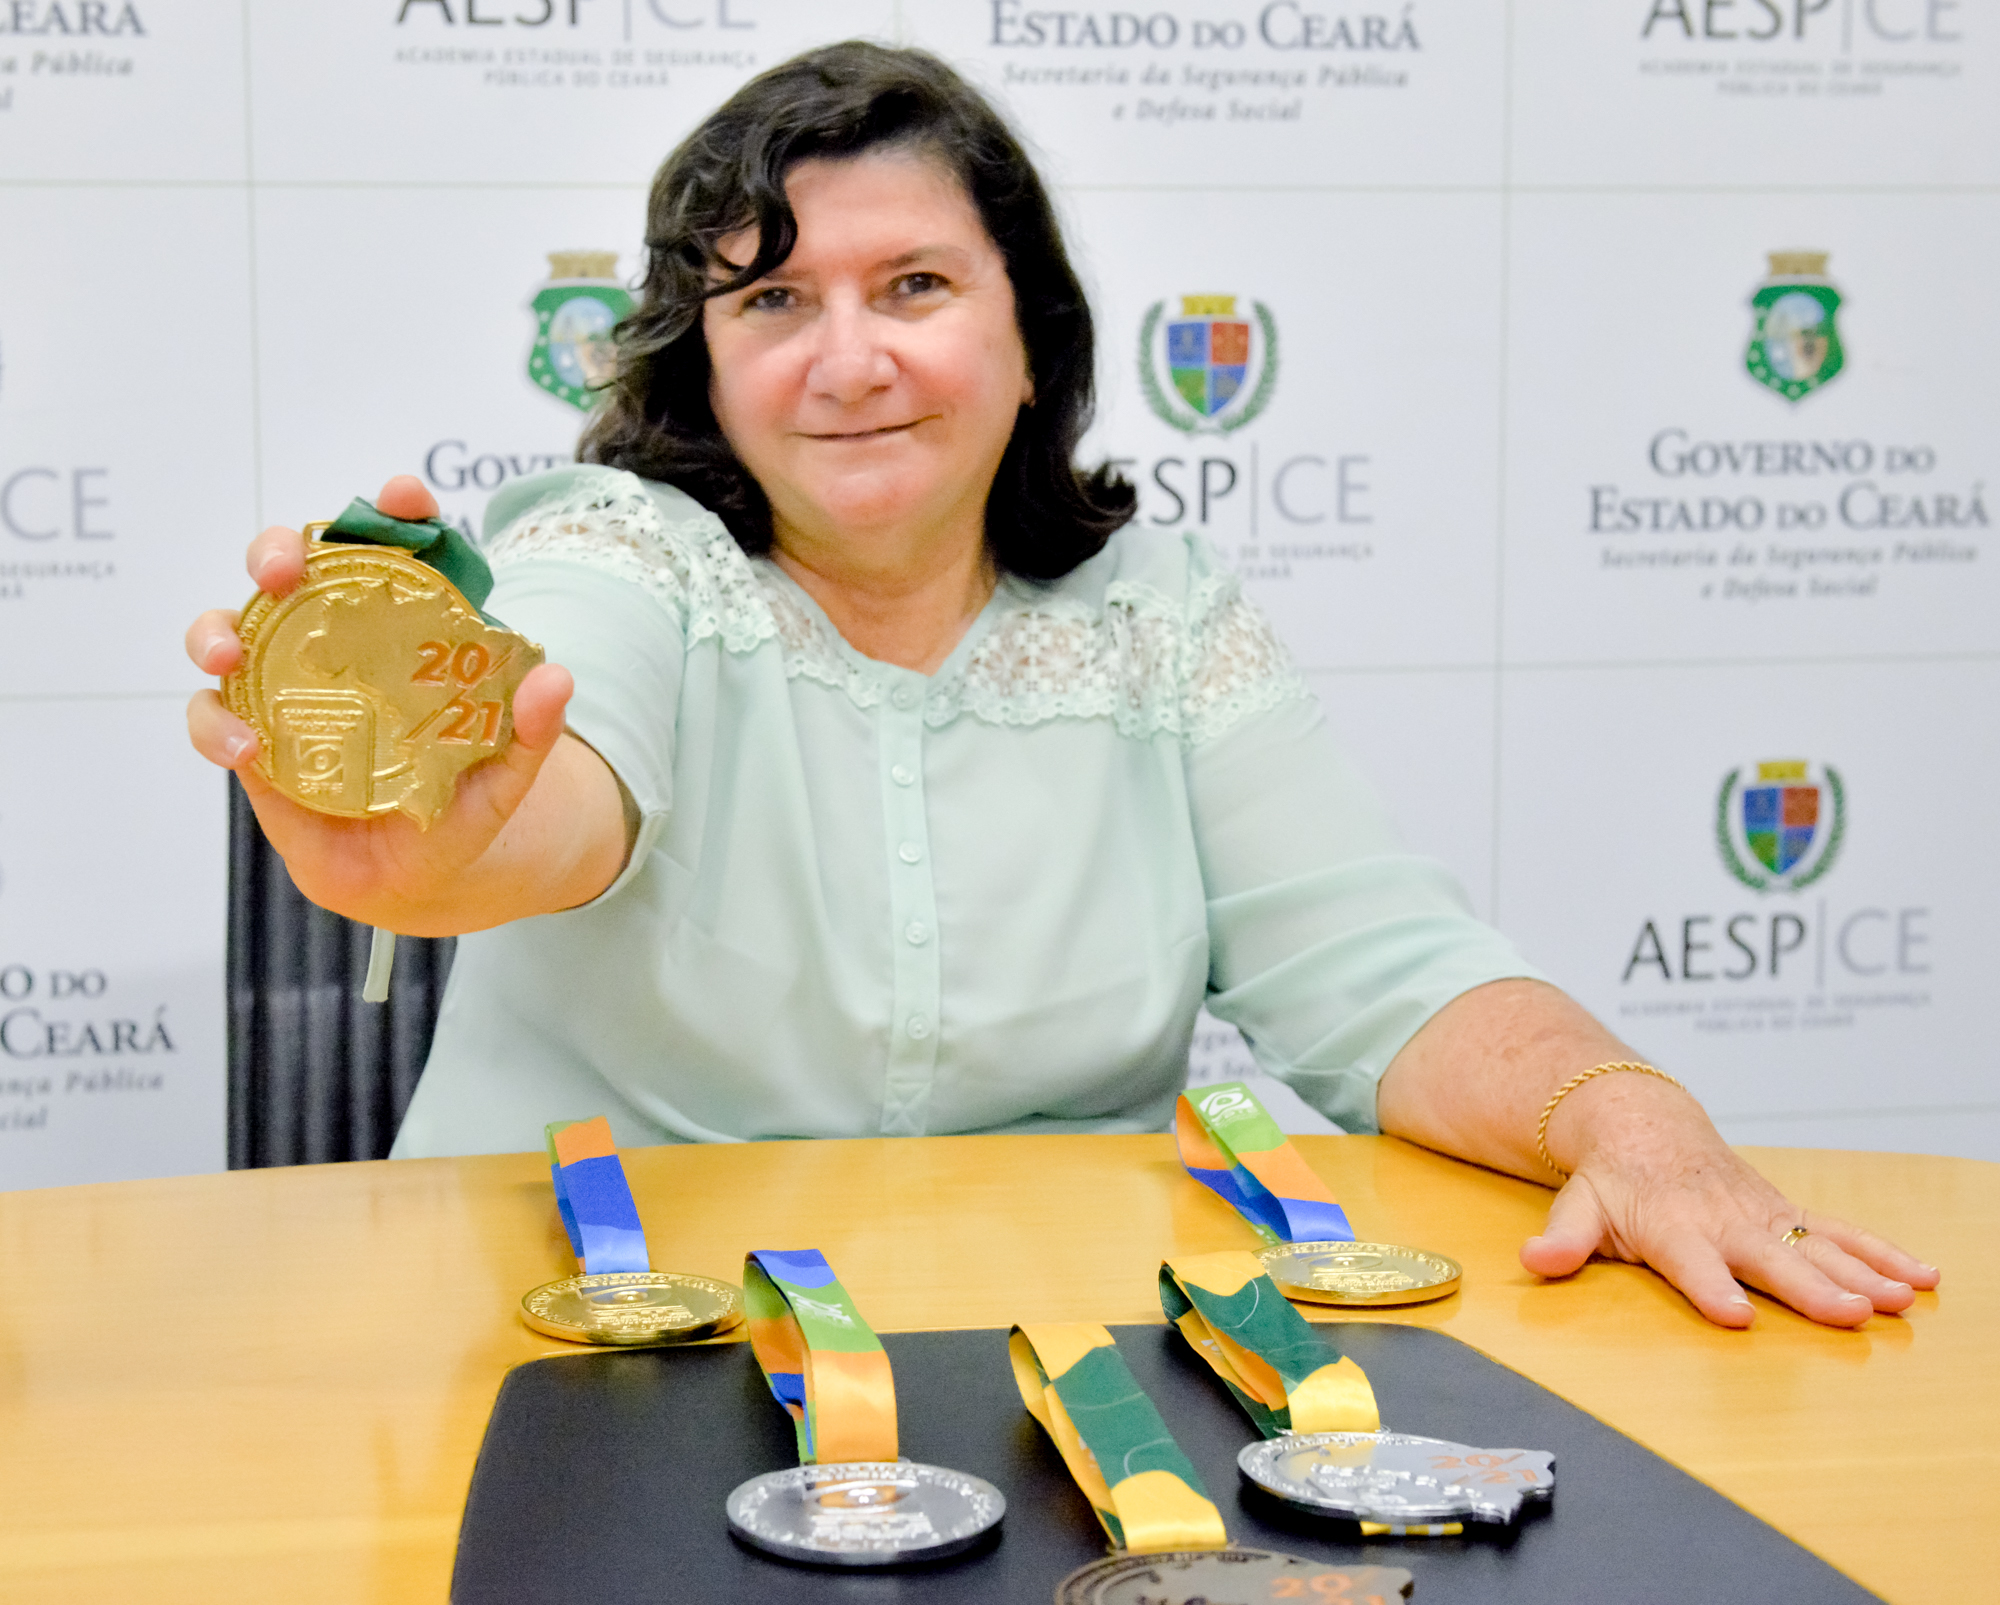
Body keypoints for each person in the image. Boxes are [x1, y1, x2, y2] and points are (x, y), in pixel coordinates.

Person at [185, 42, 1935, 1331]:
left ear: (1034, 345)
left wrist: (1629, 1109)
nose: (849, 357)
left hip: (1055, 1377)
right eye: (775, 300)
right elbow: (561, 788)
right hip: (577, 1361)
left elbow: (1387, 975)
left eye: (918, 286)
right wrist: (439, 845)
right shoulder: (621, 548)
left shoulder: (1157, 610)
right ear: (702, 370)